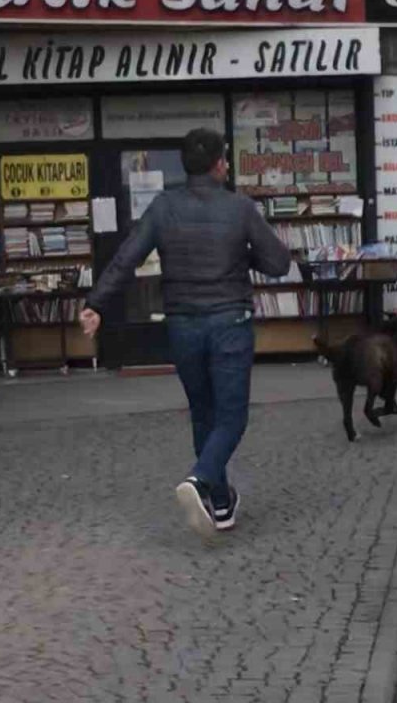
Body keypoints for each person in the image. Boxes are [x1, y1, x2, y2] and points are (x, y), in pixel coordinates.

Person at [81, 128, 292, 537]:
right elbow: (279, 262)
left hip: (182, 325)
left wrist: (96, 304)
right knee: (231, 416)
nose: (228, 165)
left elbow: (126, 259)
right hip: (230, 322)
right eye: (226, 159)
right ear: (218, 165)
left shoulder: (163, 207)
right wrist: (242, 253)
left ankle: (221, 503)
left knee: (203, 412)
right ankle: (199, 479)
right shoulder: (240, 208)